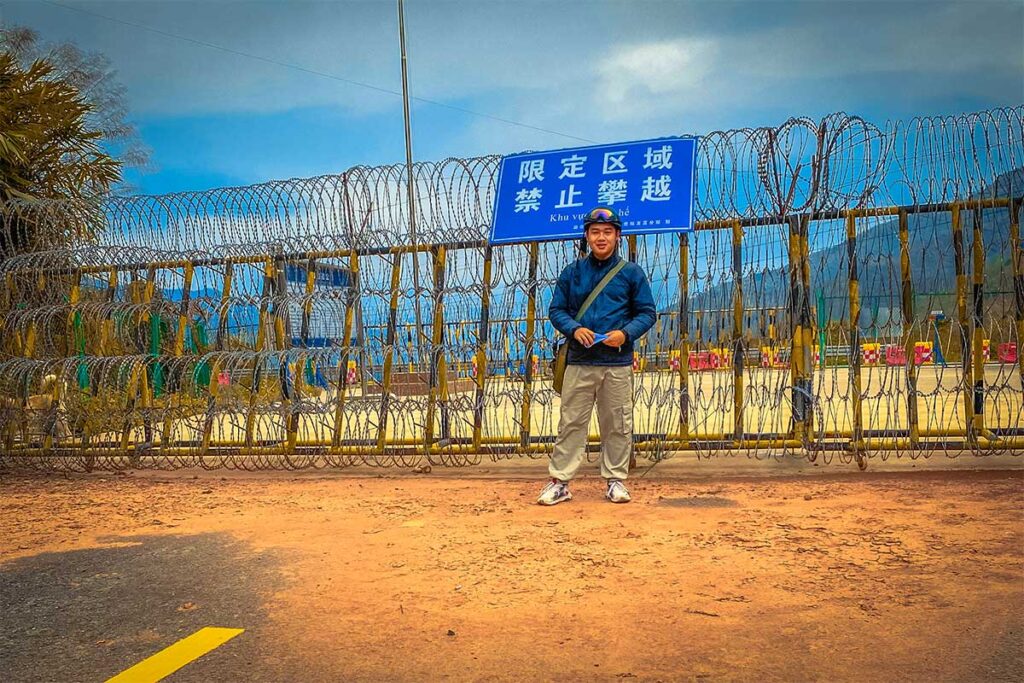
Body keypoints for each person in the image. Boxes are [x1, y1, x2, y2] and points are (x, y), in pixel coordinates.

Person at [538, 206, 656, 505]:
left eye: (607, 232)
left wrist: (625, 334)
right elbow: (556, 310)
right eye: (595, 232)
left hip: (616, 363)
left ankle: (615, 480)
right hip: (579, 360)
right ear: (587, 237)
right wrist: (574, 329)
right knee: (571, 423)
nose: (601, 238)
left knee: (617, 423)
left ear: (617, 236)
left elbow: (647, 313)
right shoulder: (573, 273)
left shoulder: (631, 274)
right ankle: (560, 481)